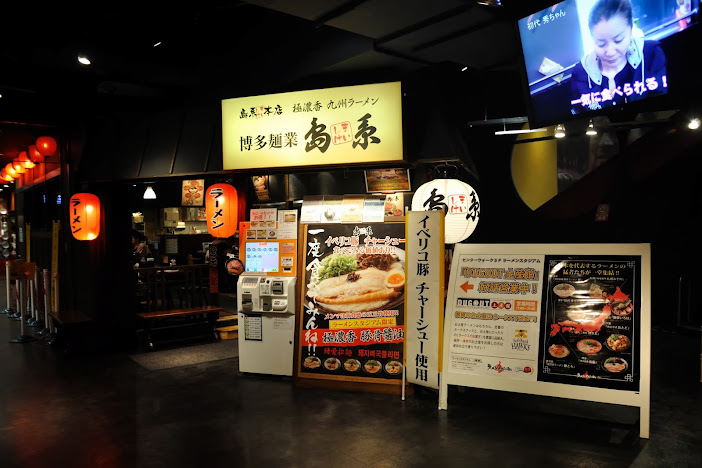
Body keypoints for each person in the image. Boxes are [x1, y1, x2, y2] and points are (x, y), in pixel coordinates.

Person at [570, 0, 667, 114]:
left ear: (631, 28)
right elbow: (579, 113)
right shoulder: (580, 73)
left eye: (618, 40)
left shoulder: (651, 54)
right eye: (601, 44)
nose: (610, 52)